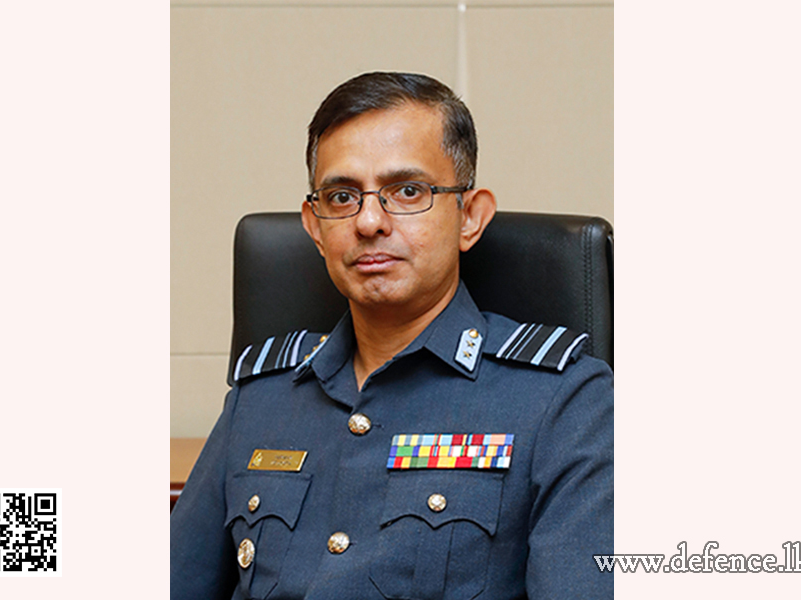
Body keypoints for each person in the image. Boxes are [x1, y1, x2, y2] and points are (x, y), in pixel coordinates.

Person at [171, 71, 614, 599]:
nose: (369, 222)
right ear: (314, 226)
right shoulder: (261, 397)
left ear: (469, 217)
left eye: (407, 191)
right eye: (341, 196)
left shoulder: (564, 401)